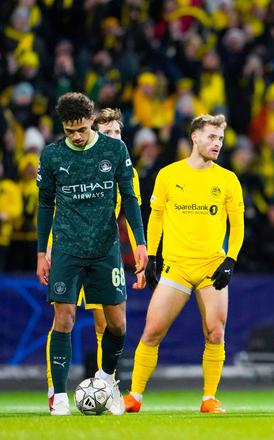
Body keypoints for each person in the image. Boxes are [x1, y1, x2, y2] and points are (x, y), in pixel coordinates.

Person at [123, 114, 244, 415]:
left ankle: (209, 399)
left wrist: (230, 259)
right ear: (195, 137)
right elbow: (156, 218)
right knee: (152, 331)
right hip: (176, 266)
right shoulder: (168, 174)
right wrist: (152, 257)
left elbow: (238, 226)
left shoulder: (228, 179)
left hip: (211, 266)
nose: (217, 143)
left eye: (220, 138)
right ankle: (134, 396)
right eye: (211, 137)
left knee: (215, 332)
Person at [36, 92, 147, 416]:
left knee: (117, 324)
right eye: (69, 131)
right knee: (64, 318)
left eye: (81, 129)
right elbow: (45, 205)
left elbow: (130, 198)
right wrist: (42, 252)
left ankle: (106, 380)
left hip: (105, 249)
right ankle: (59, 396)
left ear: (90, 121)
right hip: (67, 248)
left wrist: (140, 243)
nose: (76, 136)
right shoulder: (52, 155)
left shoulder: (114, 150)